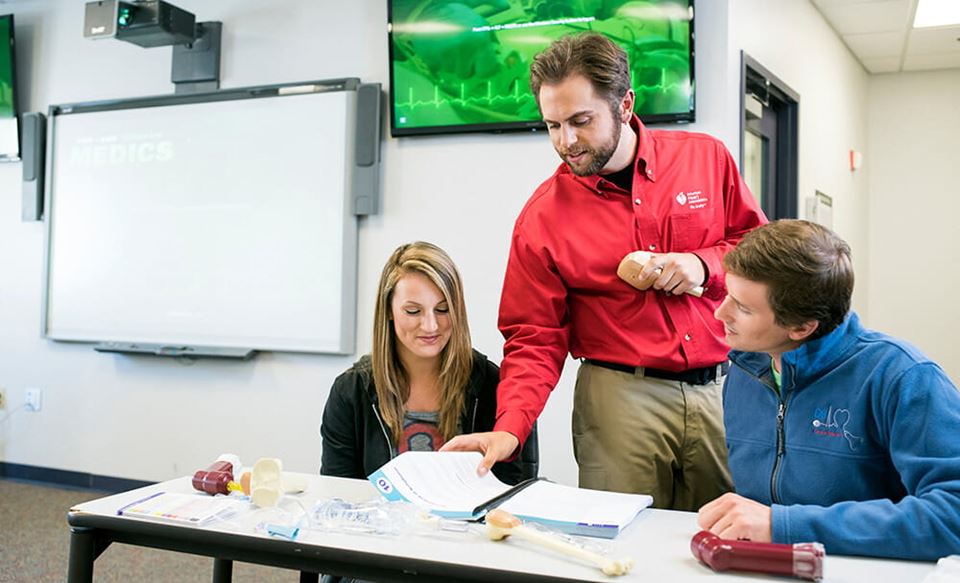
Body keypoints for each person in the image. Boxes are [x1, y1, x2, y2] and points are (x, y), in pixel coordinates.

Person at [442, 32, 766, 511]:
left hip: (726, 387)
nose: (566, 141)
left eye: (580, 121)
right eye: (552, 125)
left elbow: (755, 248)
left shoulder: (706, 158)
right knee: (623, 545)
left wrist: (703, 263)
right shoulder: (542, 218)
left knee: (726, 534)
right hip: (619, 398)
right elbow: (534, 336)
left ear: (625, 104)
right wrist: (510, 427)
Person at [697, 220, 960, 560]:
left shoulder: (903, 377)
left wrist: (784, 525)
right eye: (728, 296)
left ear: (802, 327)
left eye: (743, 308)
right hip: (766, 567)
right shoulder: (745, 371)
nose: (720, 313)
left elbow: (953, 516)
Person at [321, 241, 538, 485]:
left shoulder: (491, 385)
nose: (430, 326)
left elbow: (512, 496)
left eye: (443, 309)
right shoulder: (351, 391)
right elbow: (339, 494)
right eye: (413, 311)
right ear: (389, 311)